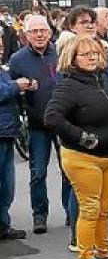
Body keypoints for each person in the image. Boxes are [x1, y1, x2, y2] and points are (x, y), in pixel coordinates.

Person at [44, 36, 108, 259]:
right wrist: (82, 137)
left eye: (95, 52)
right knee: (91, 209)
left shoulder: (103, 78)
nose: (92, 57)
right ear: (72, 59)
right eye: (85, 54)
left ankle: (104, 254)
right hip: (83, 157)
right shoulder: (68, 86)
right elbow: (52, 117)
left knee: (105, 209)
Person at [9, 14, 71, 235]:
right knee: (38, 172)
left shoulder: (63, 52)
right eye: (33, 32)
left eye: (42, 31)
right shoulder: (17, 60)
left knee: (69, 170)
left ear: (50, 32)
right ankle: (39, 214)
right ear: (26, 35)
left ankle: (70, 212)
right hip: (37, 123)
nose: (39, 35)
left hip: (64, 121)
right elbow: (13, 91)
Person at [0, 36, 29, 240]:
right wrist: (15, 87)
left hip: (7, 131)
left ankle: (3, 224)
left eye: (1, 46)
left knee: (7, 184)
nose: (1, 50)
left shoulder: (2, 70)